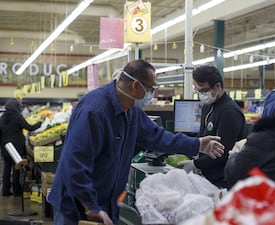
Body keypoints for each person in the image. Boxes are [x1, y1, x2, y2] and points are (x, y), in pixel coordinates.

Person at [47, 59, 224, 225]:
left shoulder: (132, 110)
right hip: (76, 204)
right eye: (151, 89)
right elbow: (75, 163)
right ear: (136, 86)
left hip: (106, 201)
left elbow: (158, 137)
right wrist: (90, 205)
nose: (152, 95)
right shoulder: (94, 111)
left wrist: (198, 144)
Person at [179, 65, 247, 188]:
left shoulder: (229, 112)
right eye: (197, 90)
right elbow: (202, 136)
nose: (201, 94)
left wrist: (196, 164)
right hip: (207, 177)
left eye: (204, 90)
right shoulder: (208, 106)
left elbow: (223, 152)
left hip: (223, 180)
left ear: (217, 87)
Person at [0, 98, 42, 196]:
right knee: (16, 168)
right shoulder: (17, 117)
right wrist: (40, 124)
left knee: (6, 168)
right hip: (17, 147)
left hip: (6, 147)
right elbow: (29, 127)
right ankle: (16, 190)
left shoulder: (2, 118)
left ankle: (5, 191)